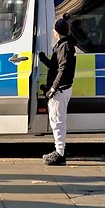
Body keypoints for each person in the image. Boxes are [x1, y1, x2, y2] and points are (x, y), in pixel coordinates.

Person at [38, 13, 77, 166]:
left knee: (58, 121)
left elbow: (63, 69)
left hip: (60, 90)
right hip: (61, 89)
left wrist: (53, 89)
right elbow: (57, 66)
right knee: (56, 120)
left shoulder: (64, 46)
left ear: (56, 32)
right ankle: (59, 151)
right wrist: (45, 60)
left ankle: (60, 154)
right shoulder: (64, 44)